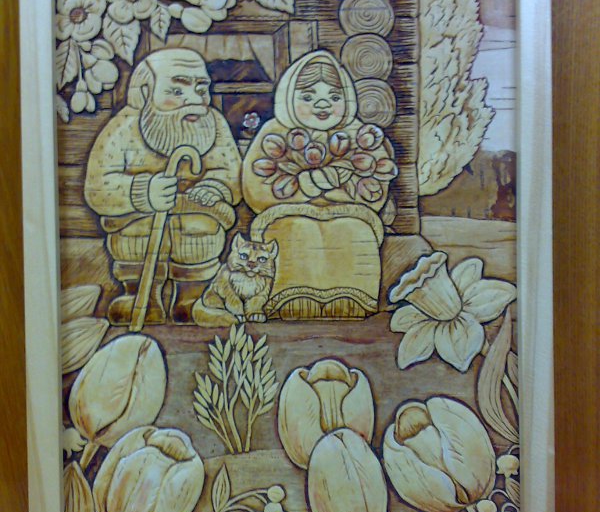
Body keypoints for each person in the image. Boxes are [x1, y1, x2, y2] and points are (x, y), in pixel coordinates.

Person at [85, 47, 242, 324]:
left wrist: (216, 187)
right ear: (146, 91)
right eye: (178, 91)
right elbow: (98, 185)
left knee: (199, 229)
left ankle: (194, 298)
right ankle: (140, 296)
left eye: (201, 89)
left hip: (196, 222)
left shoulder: (213, 124)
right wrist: (142, 192)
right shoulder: (124, 128)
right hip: (139, 224)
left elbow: (231, 170)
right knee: (135, 234)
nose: (195, 100)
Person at [242, 49, 395, 320]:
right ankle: (290, 302)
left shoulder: (359, 134)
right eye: (308, 97)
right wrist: (307, 187)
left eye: (334, 97)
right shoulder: (275, 133)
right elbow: (255, 187)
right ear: (289, 98)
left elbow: (375, 187)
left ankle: (351, 302)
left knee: (352, 232)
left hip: (348, 214)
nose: (322, 105)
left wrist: (333, 188)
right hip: (288, 213)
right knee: (295, 230)